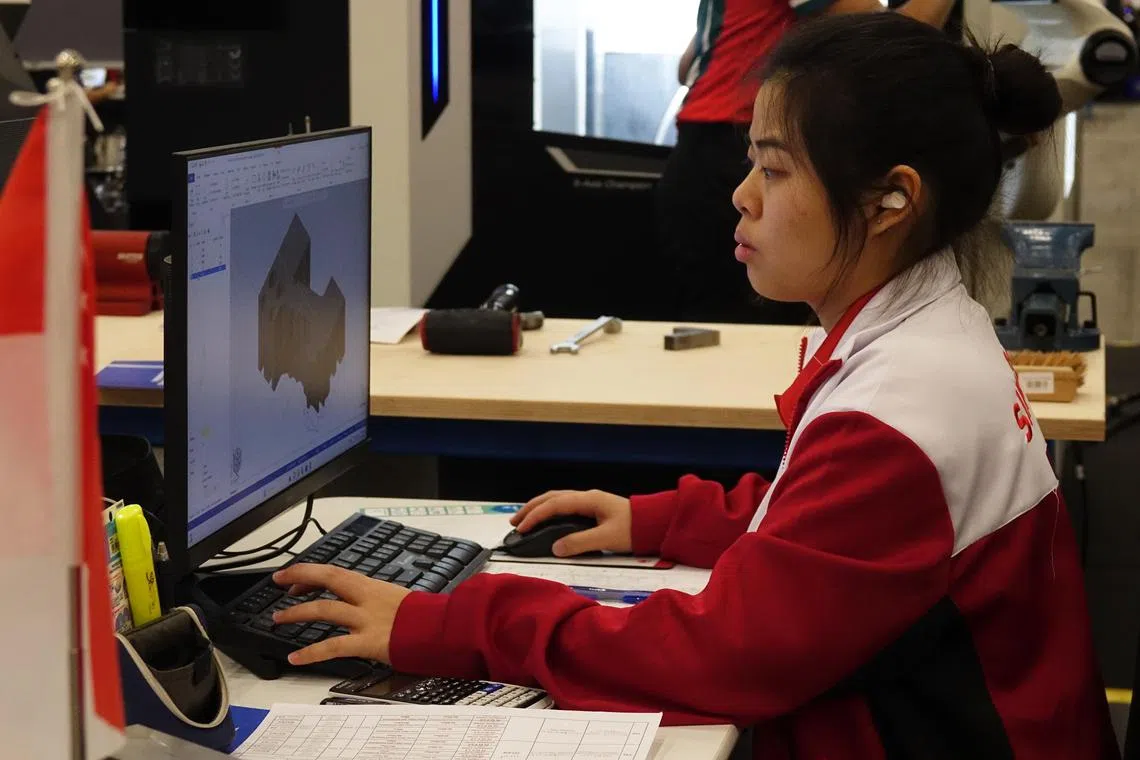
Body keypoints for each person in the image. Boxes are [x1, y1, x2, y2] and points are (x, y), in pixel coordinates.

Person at [268, 14, 1116, 758]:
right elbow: (833, 529)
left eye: (775, 170)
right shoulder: (933, 332)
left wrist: (451, 623)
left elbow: (727, 657)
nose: (740, 197)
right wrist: (660, 520)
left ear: (892, 199)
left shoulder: (901, 410)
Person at [659, 0, 958, 325]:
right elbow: (894, 41)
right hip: (740, 145)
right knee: (753, 327)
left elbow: (687, 65)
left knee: (716, 319)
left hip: (696, 153)